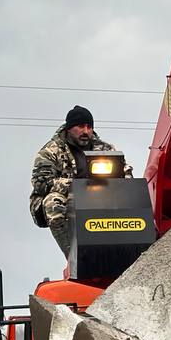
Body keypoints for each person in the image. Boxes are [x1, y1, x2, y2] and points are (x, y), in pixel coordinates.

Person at [29, 105, 123, 255]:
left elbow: (125, 171)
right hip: (67, 198)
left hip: (101, 195)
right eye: (80, 126)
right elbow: (42, 183)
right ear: (69, 128)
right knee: (53, 203)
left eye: (89, 127)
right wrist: (78, 185)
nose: (86, 131)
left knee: (134, 198)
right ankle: (75, 257)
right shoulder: (50, 151)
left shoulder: (105, 148)